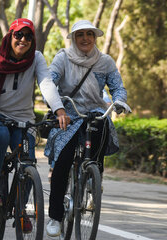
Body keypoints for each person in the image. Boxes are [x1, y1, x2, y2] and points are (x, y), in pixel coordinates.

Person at [0, 18, 70, 233]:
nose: (23, 40)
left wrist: (59, 109)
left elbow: (46, 83)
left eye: (28, 36)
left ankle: (21, 211)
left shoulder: (36, 58)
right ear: (10, 36)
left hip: (23, 121)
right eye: (19, 35)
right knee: (0, 137)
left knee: (28, 163)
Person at [44, 20, 131, 237]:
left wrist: (119, 101)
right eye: (80, 34)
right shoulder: (62, 57)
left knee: (100, 132)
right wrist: (55, 105)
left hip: (95, 113)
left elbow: (117, 86)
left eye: (89, 34)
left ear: (95, 37)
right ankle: (55, 216)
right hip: (68, 115)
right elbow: (50, 82)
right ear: (74, 38)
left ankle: (94, 180)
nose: (85, 39)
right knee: (63, 162)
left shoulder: (105, 61)